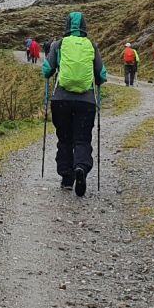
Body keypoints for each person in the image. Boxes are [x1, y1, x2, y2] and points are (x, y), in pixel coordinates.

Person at [41, 11, 107, 196]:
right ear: (84, 26)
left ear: (67, 26)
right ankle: (81, 167)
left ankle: (67, 178)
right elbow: (101, 75)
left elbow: (47, 69)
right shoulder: (91, 45)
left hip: (60, 100)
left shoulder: (58, 44)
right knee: (82, 138)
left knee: (64, 139)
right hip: (86, 102)